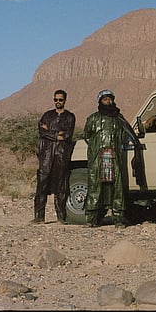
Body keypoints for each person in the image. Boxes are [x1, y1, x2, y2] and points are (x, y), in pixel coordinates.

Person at [83, 89, 131, 228]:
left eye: (110, 99)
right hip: (97, 159)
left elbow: (123, 136)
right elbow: (87, 136)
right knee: (95, 187)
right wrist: (96, 149)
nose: (108, 101)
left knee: (117, 188)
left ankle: (118, 219)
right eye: (105, 99)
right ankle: (92, 219)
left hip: (114, 157)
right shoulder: (93, 118)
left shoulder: (119, 118)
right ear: (100, 101)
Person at [33, 90, 76, 224]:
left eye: (60, 100)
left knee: (61, 186)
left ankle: (61, 217)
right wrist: (57, 135)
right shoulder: (47, 115)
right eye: (55, 99)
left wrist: (49, 132)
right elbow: (41, 131)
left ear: (65, 101)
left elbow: (67, 135)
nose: (58, 102)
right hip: (46, 155)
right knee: (42, 185)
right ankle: (39, 217)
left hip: (61, 155)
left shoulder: (69, 117)